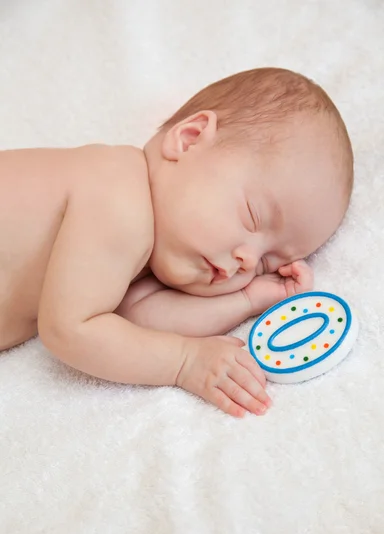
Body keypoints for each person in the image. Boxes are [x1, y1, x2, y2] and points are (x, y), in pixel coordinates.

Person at [0, 67, 353, 418]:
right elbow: (71, 329)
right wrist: (183, 362)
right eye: (252, 216)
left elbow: (133, 325)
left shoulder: (135, 260)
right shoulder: (117, 189)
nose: (247, 260)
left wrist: (252, 298)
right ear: (190, 138)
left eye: (267, 262)